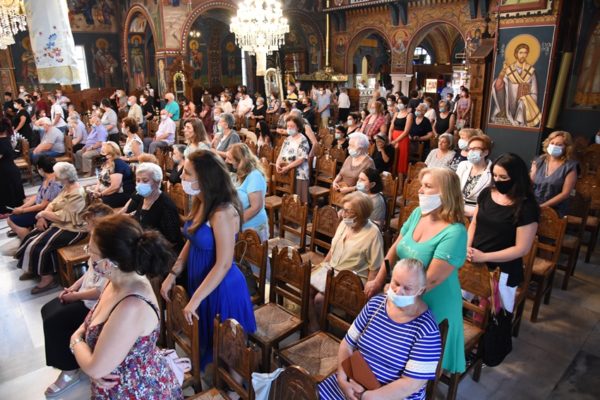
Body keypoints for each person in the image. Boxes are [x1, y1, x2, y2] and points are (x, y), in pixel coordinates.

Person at [160, 150, 256, 371]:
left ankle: (236, 385)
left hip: (221, 286)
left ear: (204, 178)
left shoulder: (222, 212)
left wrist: (195, 300)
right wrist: (173, 274)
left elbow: (224, 264)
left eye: (187, 173)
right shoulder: (200, 201)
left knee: (229, 351)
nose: (181, 176)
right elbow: (192, 240)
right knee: (210, 340)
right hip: (202, 280)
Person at [367, 167, 468, 374]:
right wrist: (379, 279)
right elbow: (394, 249)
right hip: (405, 291)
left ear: (446, 193)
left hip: (433, 301)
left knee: (418, 362)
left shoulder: (455, 232)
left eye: (428, 186)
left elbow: (430, 280)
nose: (420, 191)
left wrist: (395, 293)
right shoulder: (417, 214)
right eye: (422, 185)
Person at [70, 214, 183, 399]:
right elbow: (93, 320)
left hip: (136, 390)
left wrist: (75, 339)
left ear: (107, 263)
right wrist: (80, 338)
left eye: (91, 252)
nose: (89, 256)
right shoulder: (114, 281)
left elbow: (95, 368)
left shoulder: (132, 306)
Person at [318, 258, 442, 400]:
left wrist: (367, 396)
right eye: (396, 283)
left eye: (407, 288)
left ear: (421, 290)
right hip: (354, 379)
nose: (398, 291)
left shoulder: (427, 330)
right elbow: (347, 344)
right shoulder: (375, 304)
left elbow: (411, 384)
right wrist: (342, 379)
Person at [41, 203, 114, 397]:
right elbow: (90, 271)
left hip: (97, 305)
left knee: (56, 320)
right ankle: (67, 356)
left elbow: (102, 291)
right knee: (48, 309)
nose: (88, 228)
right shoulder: (96, 241)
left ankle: (69, 370)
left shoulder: (111, 248)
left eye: (92, 224)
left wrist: (75, 296)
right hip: (84, 295)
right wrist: (73, 287)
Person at [468, 153, 539, 312]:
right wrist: (467, 247)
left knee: (495, 313)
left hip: (502, 267)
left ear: (517, 178)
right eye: (494, 175)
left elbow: (521, 249)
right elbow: (474, 223)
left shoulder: (526, 207)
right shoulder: (487, 194)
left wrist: (485, 257)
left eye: (503, 177)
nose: (497, 180)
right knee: (464, 303)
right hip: (475, 259)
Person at [308, 191, 384, 331]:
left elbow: (375, 268)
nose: (342, 214)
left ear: (360, 214)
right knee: (306, 284)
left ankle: (322, 331)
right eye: (343, 209)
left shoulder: (373, 234)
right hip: (332, 270)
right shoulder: (344, 223)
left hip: (351, 280)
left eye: (348, 211)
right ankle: (314, 325)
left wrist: (366, 297)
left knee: (319, 300)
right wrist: (321, 266)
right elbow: (333, 249)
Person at [17, 162, 87, 294]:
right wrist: (43, 216)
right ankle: (33, 268)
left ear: (64, 176)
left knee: (38, 245)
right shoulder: (66, 187)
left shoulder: (77, 193)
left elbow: (65, 216)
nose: (54, 175)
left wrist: (43, 214)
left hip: (74, 228)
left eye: (57, 173)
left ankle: (47, 278)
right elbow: (53, 203)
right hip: (60, 223)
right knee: (30, 237)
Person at [122, 162, 183, 250]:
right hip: (144, 244)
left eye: (145, 181)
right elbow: (141, 218)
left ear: (157, 182)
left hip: (161, 251)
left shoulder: (165, 205)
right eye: (138, 180)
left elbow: (172, 240)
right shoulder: (144, 197)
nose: (140, 184)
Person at [8, 156, 62, 239]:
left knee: (10, 220)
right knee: (25, 202)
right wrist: (22, 207)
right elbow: (38, 196)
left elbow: (43, 205)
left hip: (47, 211)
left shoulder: (54, 183)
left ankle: (27, 240)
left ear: (40, 169)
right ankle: (28, 231)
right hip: (41, 207)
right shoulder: (47, 178)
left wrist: (22, 210)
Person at [530, 131, 578, 217]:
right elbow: (530, 183)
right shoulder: (538, 161)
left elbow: (565, 194)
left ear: (566, 148)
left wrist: (542, 207)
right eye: (552, 143)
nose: (554, 146)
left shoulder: (570, 166)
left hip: (555, 209)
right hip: (534, 203)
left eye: (559, 145)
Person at [226, 143, 269, 240]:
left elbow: (256, 207)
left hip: (253, 228)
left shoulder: (254, 176)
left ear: (240, 161)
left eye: (229, 159)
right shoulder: (241, 173)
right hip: (242, 225)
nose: (226, 161)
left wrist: (236, 222)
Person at [275, 115, 310, 203]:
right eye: (288, 126)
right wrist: (277, 163)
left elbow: (301, 159)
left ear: (298, 127)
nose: (289, 128)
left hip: (299, 173)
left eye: (292, 126)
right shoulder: (287, 139)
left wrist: (287, 167)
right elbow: (281, 154)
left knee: (299, 201)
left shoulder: (303, 140)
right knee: (288, 199)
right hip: (287, 172)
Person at [89, 142, 135, 208]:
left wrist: (101, 194)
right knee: (88, 194)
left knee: (98, 202)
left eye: (103, 152)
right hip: (109, 190)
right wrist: (96, 190)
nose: (100, 154)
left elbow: (115, 187)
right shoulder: (106, 162)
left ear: (110, 155)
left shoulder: (118, 164)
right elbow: (100, 180)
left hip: (122, 194)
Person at [456, 135, 493, 217]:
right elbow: (454, 189)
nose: (471, 152)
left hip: (476, 214)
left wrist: (473, 214)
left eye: (475, 149)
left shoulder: (492, 173)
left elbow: (490, 202)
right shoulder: (462, 165)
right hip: (456, 209)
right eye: (469, 149)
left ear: (485, 152)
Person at [0, 118, 24, 218]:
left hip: (7, 172)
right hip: (8, 169)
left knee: (7, 192)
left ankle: (7, 211)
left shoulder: (2, 142)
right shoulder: (6, 139)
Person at [389, 96, 413, 175]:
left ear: (405, 104)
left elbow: (406, 131)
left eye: (401, 103)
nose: (399, 104)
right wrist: (390, 138)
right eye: (398, 102)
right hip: (393, 137)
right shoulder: (396, 113)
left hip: (402, 139)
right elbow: (391, 127)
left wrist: (396, 141)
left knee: (401, 160)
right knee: (392, 158)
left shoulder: (409, 115)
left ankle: (400, 179)